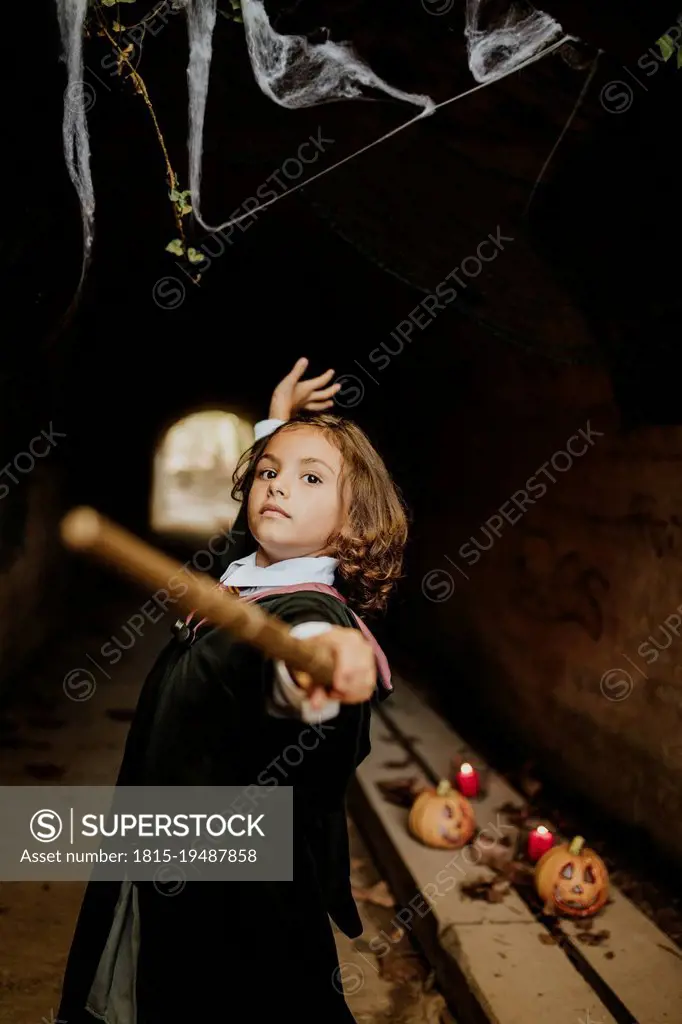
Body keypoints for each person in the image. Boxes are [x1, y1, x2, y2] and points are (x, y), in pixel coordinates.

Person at [58, 358, 409, 1024]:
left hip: (230, 888)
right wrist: (279, 424)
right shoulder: (250, 578)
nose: (277, 487)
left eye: (310, 479)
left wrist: (327, 665)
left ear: (353, 523)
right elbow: (264, 534)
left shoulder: (309, 613)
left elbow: (298, 661)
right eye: (268, 474)